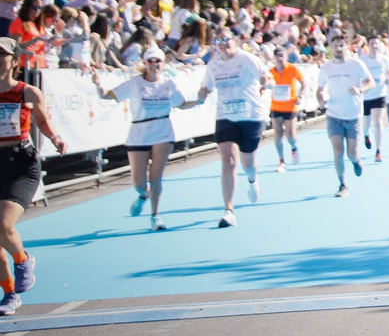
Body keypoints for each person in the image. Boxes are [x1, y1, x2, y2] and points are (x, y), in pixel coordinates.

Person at [92, 48, 198, 230]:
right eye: (150, 61)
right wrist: (97, 83)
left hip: (163, 132)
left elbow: (182, 104)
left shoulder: (169, 84)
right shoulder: (134, 83)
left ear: (163, 64)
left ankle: (155, 216)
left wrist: (200, 99)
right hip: (139, 133)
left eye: (158, 61)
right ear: (145, 64)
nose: (154, 64)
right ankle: (143, 196)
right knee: (139, 183)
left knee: (156, 177)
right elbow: (105, 95)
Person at [0, 37, 68, 314]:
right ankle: (9, 294)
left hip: (21, 165)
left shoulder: (27, 92)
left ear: (14, 61)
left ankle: (23, 260)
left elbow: (42, 121)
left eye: (2, 54)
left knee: (3, 224)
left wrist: (56, 138)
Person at [196, 31, 271, 227]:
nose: (222, 43)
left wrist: (266, 82)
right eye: (218, 40)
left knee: (248, 163)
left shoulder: (247, 59)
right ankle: (229, 211)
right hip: (225, 115)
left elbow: (267, 77)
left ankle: (252, 180)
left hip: (250, 115)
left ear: (235, 41)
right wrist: (202, 93)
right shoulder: (213, 64)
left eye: (226, 39)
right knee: (228, 162)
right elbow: (206, 87)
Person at [317, 34, 373, 197]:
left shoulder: (356, 64)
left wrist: (360, 90)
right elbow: (319, 89)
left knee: (352, 153)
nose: (338, 48)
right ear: (331, 48)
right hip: (333, 115)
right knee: (338, 151)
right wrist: (320, 98)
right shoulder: (326, 68)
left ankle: (356, 161)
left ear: (347, 47)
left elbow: (371, 82)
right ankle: (342, 185)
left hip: (353, 115)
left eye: (341, 45)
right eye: (335, 46)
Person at [268, 43, 310, 171]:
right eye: (278, 56)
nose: (280, 58)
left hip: (290, 107)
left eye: (282, 55)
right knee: (278, 133)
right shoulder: (270, 72)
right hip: (275, 106)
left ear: (286, 57)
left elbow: (304, 83)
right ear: (274, 58)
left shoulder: (292, 69)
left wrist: (300, 96)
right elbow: (263, 85)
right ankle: (281, 161)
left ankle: (294, 147)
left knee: (290, 136)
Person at [356, 36, 389, 155]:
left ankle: (378, 151)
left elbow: (388, 72)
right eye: (372, 43)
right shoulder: (362, 60)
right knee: (366, 123)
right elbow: (357, 75)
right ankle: (366, 134)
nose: (374, 46)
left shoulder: (384, 59)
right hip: (366, 95)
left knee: (378, 120)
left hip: (380, 94)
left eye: (376, 43)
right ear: (368, 45)